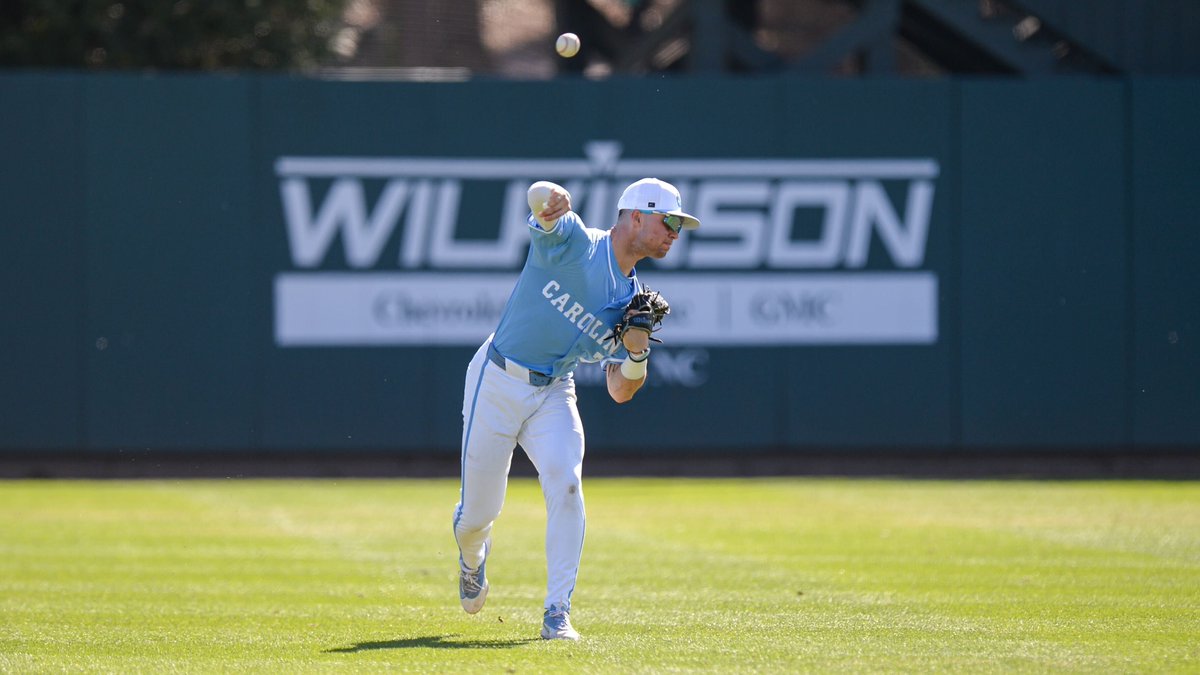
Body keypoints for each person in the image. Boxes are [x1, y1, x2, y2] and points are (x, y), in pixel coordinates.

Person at [451, 177, 700, 640]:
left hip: (553, 391)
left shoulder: (633, 301)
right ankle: (471, 558)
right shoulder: (575, 242)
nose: (674, 233)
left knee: (566, 485)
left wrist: (638, 353)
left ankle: (557, 611)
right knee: (477, 516)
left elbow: (620, 391)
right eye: (669, 221)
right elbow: (538, 199)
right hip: (499, 378)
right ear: (636, 216)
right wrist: (550, 197)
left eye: (679, 226)